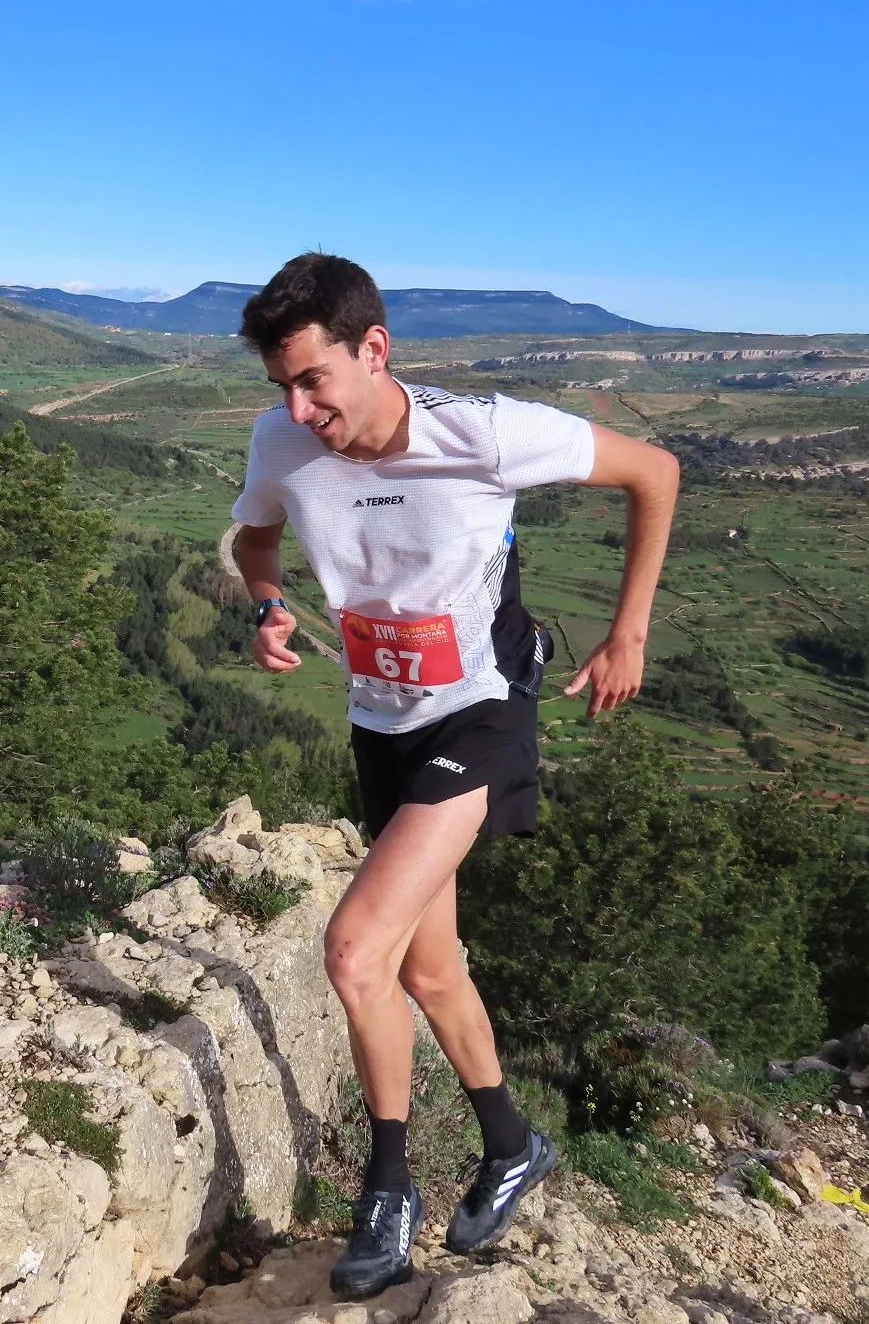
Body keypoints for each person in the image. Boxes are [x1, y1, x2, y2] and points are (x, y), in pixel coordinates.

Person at [231, 253, 679, 1295]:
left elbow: (655, 471)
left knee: (357, 952)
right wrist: (269, 604)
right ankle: (513, 1143)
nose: (297, 411)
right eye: (281, 387)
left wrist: (630, 633)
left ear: (373, 349)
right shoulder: (280, 442)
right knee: (429, 971)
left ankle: (388, 1189)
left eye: (313, 382)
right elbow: (255, 541)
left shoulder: (484, 433)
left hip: (481, 708)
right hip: (380, 720)